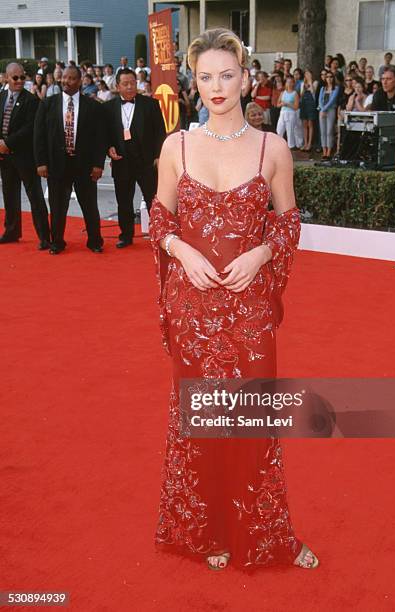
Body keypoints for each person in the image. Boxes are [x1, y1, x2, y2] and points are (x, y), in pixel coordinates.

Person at [148, 26, 319, 573]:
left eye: (227, 74)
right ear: (193, 84)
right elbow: (159, 216)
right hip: (194, 309)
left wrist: (262, 254)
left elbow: (289, 223)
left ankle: (264, 536)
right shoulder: (174, 145)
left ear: (247, 79)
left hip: (248, 314)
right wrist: (180, 250)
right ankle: (206, 533)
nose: (217, 86)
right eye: (205, 78)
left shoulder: (273, 149)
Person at [34, 66, 105, 254]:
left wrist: (98, 164)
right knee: (57, 207)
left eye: (71, 78)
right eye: (64, 77)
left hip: (84, 165)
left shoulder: (93, 106)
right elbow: (39, 136)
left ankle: (95, 241)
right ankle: (57, 242)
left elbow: (100, 138)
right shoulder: (47, 104)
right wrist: (41, 162)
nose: (66, 81)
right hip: (57, 164)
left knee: (90, 206)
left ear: (79, 81)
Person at [103, 68, 166, 248]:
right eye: (125, 84)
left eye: (133, 83)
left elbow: (160, 132)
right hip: (121, 161)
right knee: (123, 201)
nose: (130, 87)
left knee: (153, 200)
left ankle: (160, 235)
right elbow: (104, 134)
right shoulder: (108, 108)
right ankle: (126, 235)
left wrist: (158, 156)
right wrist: (109, 148)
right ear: (117, 86)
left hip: (146, 162)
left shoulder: (150, 104)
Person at [0, 62, 50, 249]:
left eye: (22, 77)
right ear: (6, 78)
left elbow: (30, 129)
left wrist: (7, 143)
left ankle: (45, 236)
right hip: (5, 157)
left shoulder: (32, 101)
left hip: (25, 157)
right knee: (9, 195)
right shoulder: (1, 97)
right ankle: (11, 230)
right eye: (15, 78)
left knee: (35, 197)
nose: (20, 81)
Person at [276, 76, 303, 149]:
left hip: (291, 114)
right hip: (283, 113)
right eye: (288, 82)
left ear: (293, 83)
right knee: (279, 129)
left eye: (291, 82)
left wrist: (287, 104)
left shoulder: (295, 94)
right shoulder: (282, 93)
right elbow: (277, 104)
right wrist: (282, 104)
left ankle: (290, 147)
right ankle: (278, 145)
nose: (289, 84)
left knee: (290, 131)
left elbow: (296, 107)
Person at [318, 71, 339, 160]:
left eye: (331, 77)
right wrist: (322, 109)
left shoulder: (336, 88)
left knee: (329, 131)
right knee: (323, 131)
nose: (329, 79)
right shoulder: (323, 88)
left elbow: (332, 100)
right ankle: (324, 150)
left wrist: (324, 109)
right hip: (322, 111)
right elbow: (319, 100)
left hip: (330, 110)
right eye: (327, 77)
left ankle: (329, 151)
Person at [299, 69, 318, 151]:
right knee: (304, 124)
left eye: (308, 74)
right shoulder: (302, 83)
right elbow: (301, 94)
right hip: (304, 104)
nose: (307, 75)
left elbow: (313, 92)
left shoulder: (315, 82)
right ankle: (305, 142)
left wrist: (310, 82)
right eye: (306, 74)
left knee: (310, 124)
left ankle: (310, 143)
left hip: (311, 104)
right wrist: (304, 86)